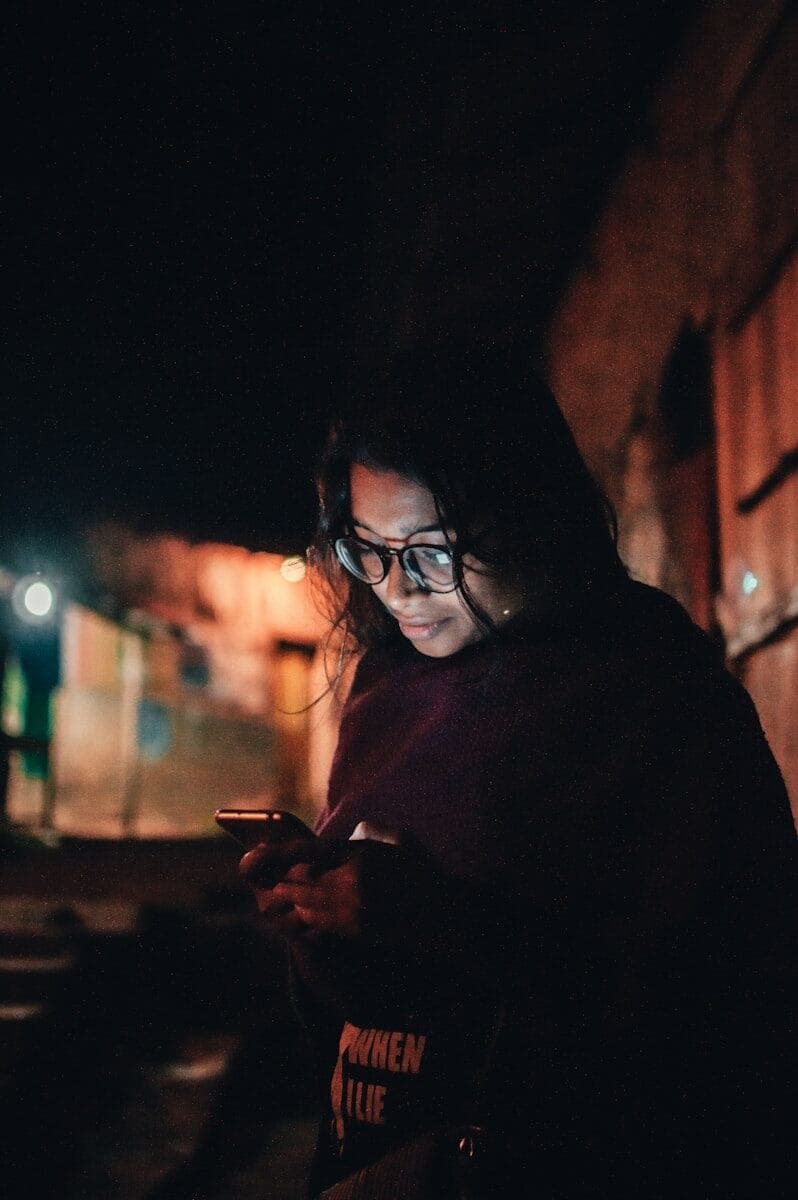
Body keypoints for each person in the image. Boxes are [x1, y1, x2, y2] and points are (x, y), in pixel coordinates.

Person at [240, 342, 797, 1198]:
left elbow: (717, 1017)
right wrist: (319, 924)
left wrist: (446, 918)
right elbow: (368, 1010)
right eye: (369, 550)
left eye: (432, 550)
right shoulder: (388, 691)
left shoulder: (655, 701)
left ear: (530, 517)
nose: (398, 589)